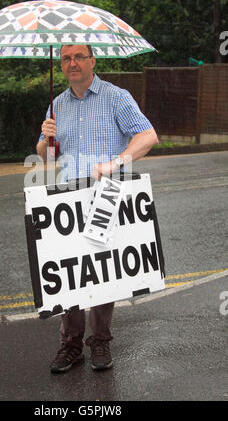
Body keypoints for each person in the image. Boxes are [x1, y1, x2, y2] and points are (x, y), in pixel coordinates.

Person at [36, 44, 158, 373]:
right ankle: (71, 344)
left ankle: (100, 340)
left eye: (78, 57)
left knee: (103, 271)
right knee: (70, 273)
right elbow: (48, 158)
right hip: (68, 199)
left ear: (92, 61)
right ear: (60, 65)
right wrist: (45, 138)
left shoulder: (116, 97)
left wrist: (115, 162)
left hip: (107, 194)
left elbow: (148, 136)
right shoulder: (56, 104)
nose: (72, 63)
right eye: (66, 58)